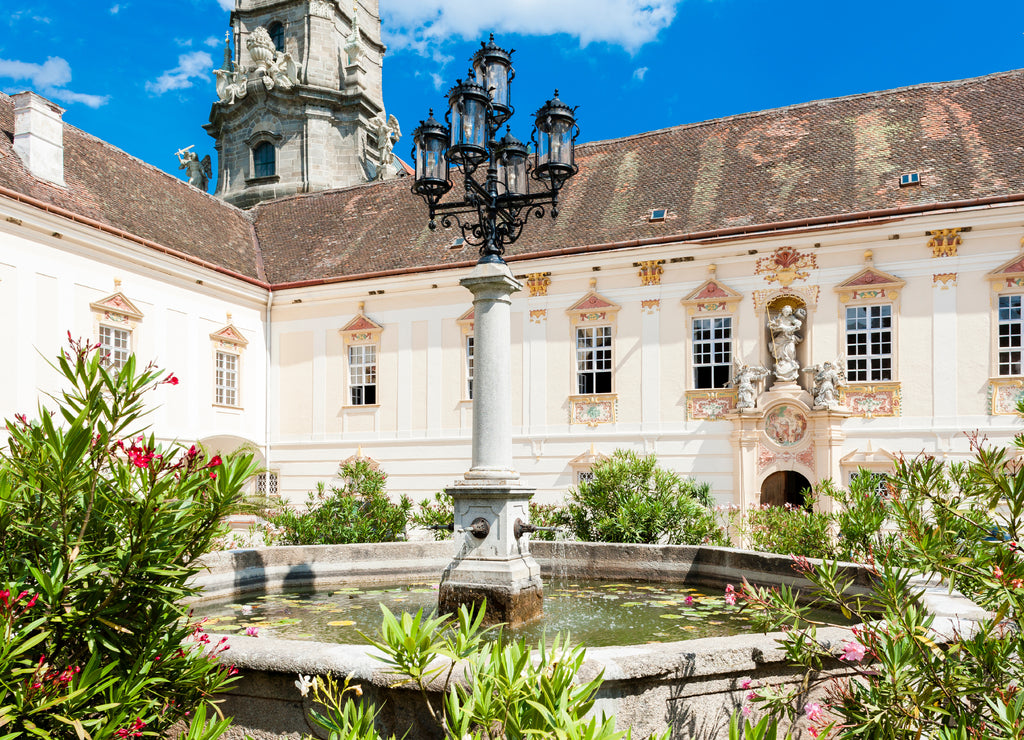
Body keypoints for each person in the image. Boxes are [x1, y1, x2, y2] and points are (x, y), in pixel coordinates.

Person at [768, 305, 805, 382]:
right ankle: (782, 361)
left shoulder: (791, 318)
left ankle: (790, 362)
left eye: (788, 312)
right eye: (785, 311)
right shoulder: (778, 317)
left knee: (791, 350)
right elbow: (770, 324)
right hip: (781, 336)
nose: (786, 313)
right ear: (783, 311)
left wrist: (796, 325)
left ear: (790, 312)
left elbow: (798, 323)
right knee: (777, 347)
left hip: (789, 337)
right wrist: (774, 325)